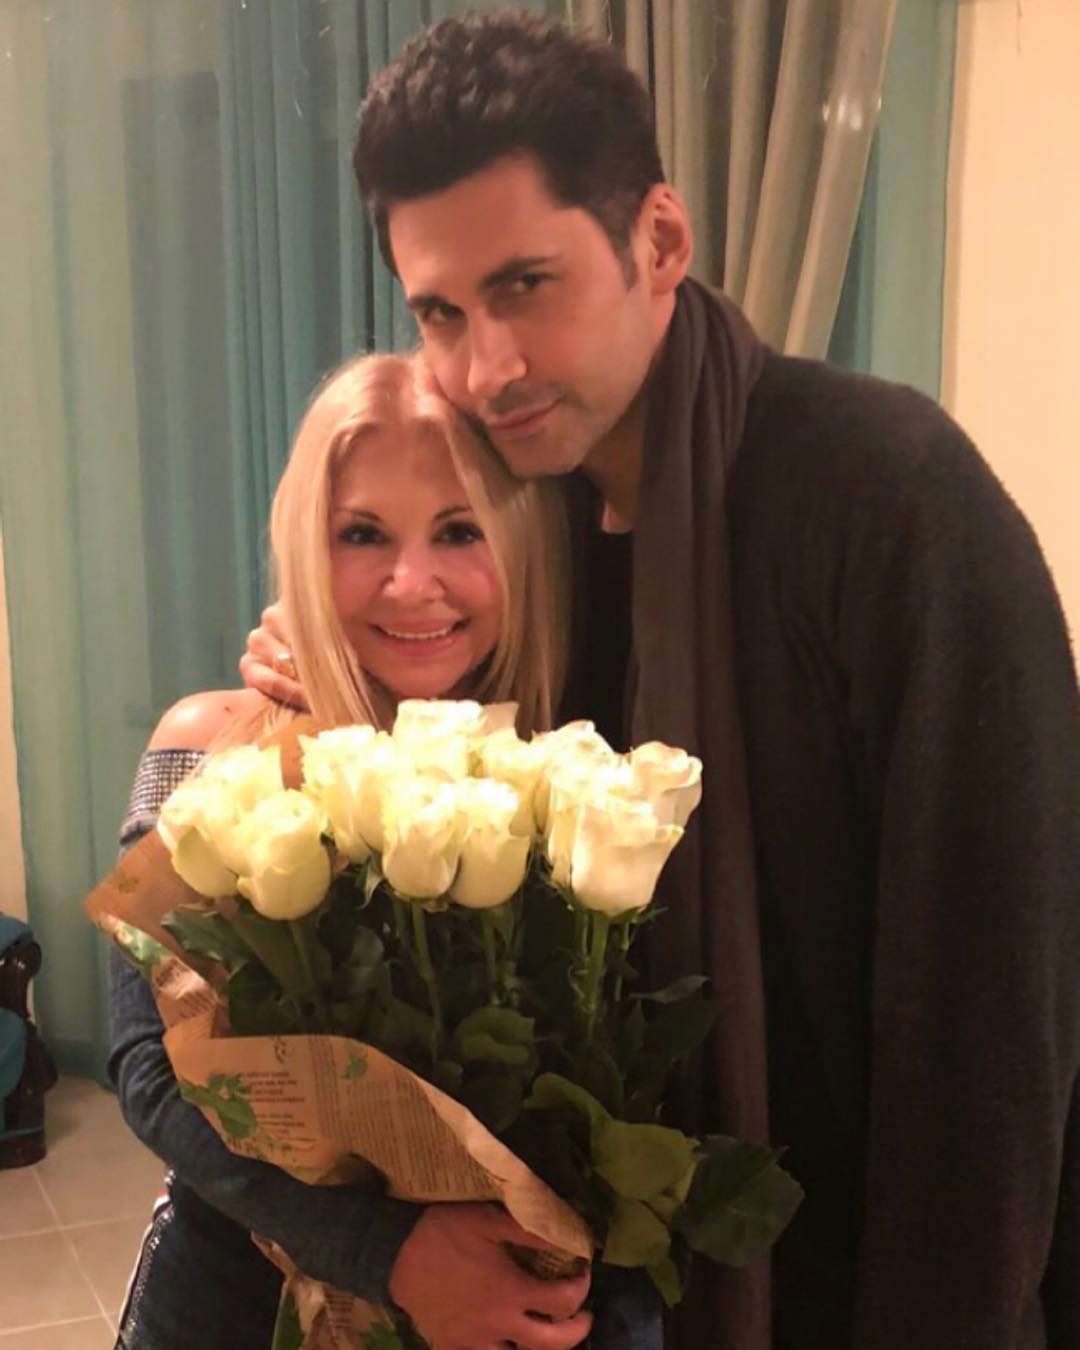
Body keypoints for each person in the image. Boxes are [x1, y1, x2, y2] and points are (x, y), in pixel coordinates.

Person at [243, 13, 1080, 1350]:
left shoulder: (888, 497)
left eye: (526, 285)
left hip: (862, 1289)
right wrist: (318, 661)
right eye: (442, 312)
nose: (485, 367)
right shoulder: (529, 541)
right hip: (617, 1293)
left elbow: (997, 1023)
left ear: (660, 242)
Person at [109, 351, 636, 1350]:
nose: (410, 583)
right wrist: (386, 1252)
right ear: (308, 549)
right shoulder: (205, 743)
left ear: (524, 546)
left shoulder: (577, 774)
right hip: (235, 1295)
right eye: (361, 534)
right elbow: (146, 1065)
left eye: (459, 530)